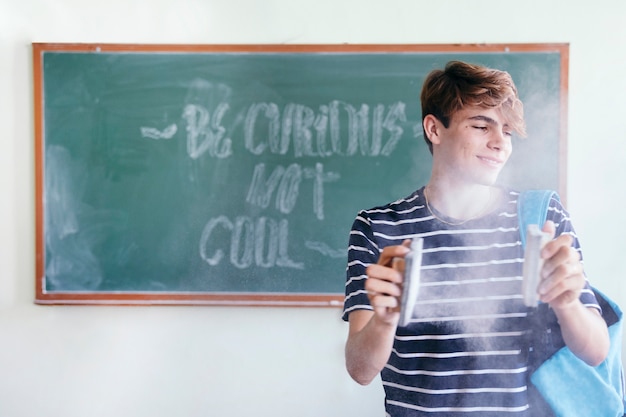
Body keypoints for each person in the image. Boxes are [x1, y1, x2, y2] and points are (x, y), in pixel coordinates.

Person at [342, 60, 610, 416]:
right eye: (481, 126)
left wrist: (567, 303)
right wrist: (387, 318)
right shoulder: (379, 227)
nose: (500, 143)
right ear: (434, 129)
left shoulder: (540, 218)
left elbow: (596, 351)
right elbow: (360, 370)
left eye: (507, 132)